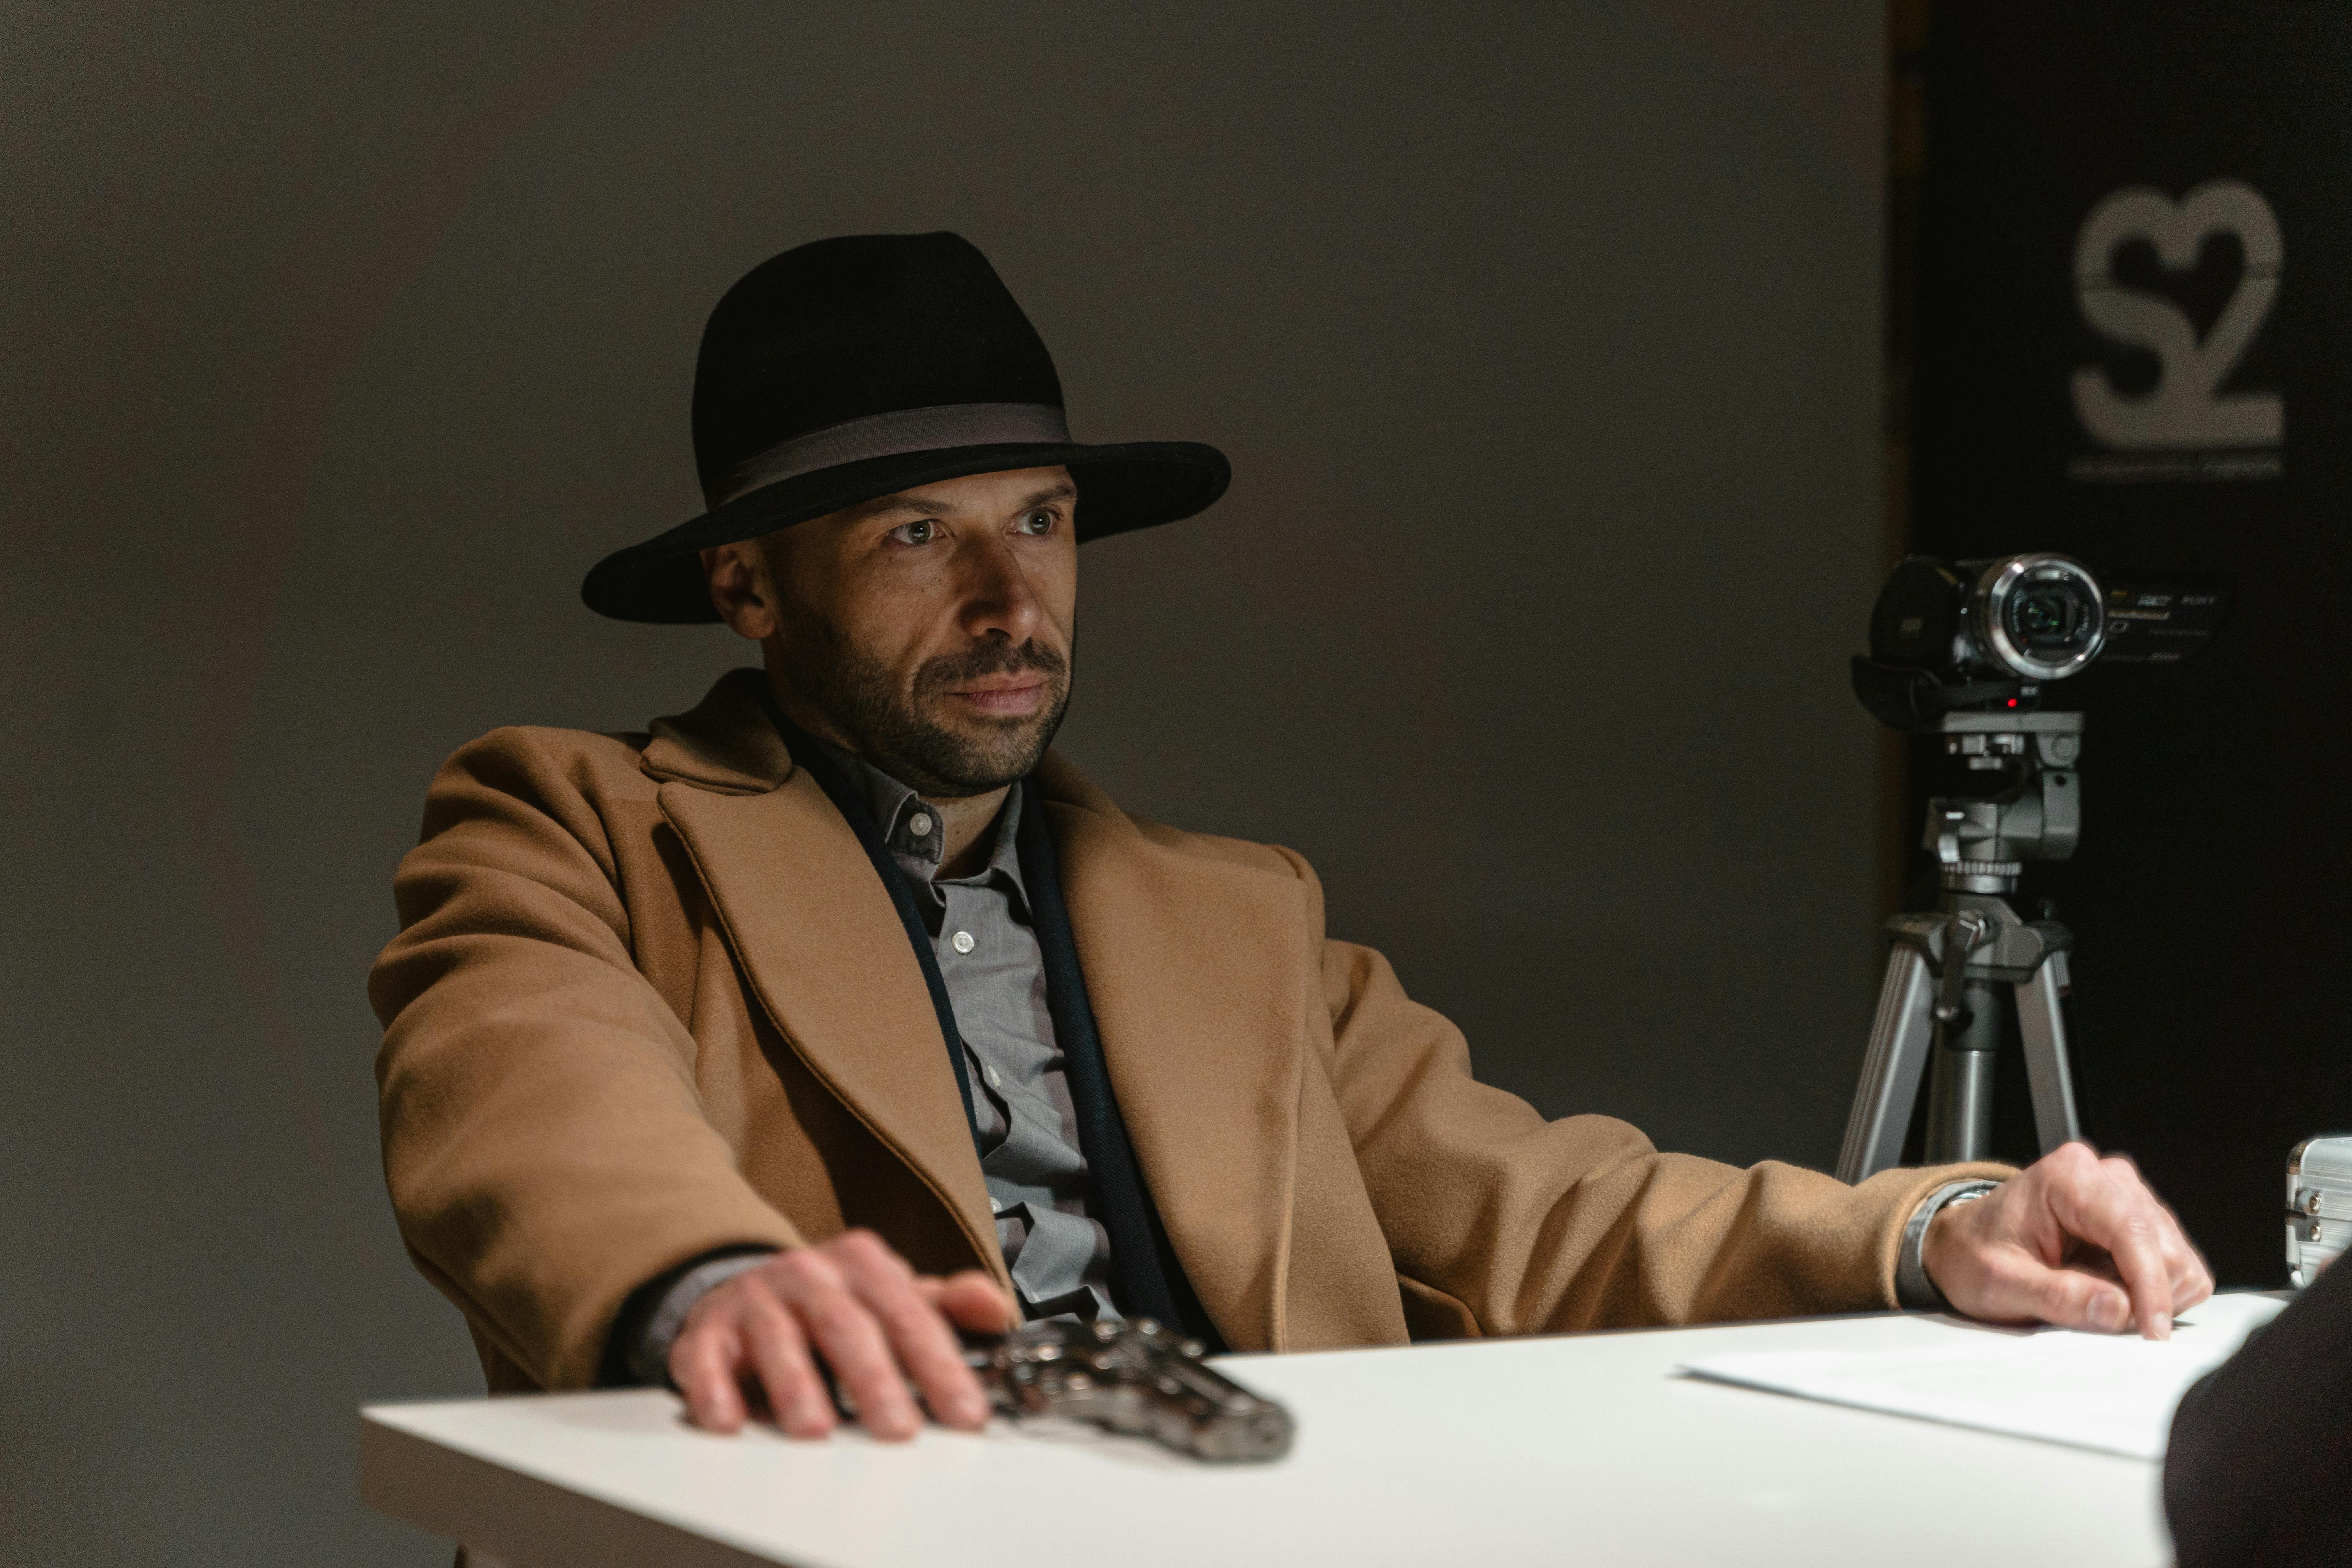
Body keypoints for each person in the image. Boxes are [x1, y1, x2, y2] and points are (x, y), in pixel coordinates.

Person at [369, 232, 2213, 1442]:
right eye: (921, 538)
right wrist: (713, 1281)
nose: (1017, 600)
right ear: (746, 587)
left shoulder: (1232, 916)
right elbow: (523, 1092)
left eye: (1044, 520)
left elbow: (1554, 1213)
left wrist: (1943, 1228)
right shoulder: (578, 826)